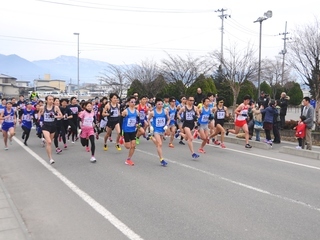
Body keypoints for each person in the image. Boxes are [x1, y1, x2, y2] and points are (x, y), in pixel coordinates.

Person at [38, 95, 62, 164]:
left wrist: (55, 116)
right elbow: (39, 114)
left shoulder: (56, 108)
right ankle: (50, 158)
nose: (51, 101)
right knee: (49, 142)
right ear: (46, 100)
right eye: (50, 99)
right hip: (45, 126)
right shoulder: (43, 107)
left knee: (49, 142)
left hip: (53, 126)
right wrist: (40, 120)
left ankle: (44, 140)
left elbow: (61, 116)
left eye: (52, 99)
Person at [147, 98, 170, 166]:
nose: (160, 105)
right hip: (156, 130)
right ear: (156, 105)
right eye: (158, 104)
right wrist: (150, 126)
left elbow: (169, 119)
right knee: (159, 144)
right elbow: (148, 119)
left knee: (159, 144)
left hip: (162, 129)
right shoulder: (153, 112)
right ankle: (161, 159)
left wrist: (167, 125)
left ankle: (151, 137)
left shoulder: (165, 111)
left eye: (161, 104)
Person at [121, 96, 140, 166]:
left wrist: (137, 124)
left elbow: (138, 120)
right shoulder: (125, 111)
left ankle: (128, 159)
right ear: (128, 103)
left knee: (133, 145)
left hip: (132, 130)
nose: (133, 103)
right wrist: (121, 131)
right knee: (127, 147)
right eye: (131, 102)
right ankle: (123, 140)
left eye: (134, 102)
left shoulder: (136, 111)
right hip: (126, 130)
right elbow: (121, 120)